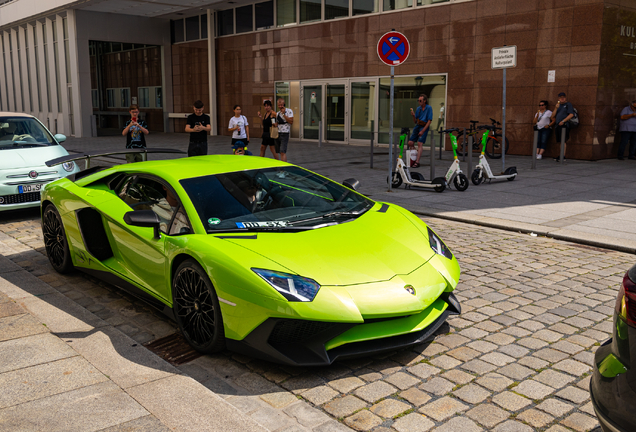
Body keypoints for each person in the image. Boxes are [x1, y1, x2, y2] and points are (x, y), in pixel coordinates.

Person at [408, 94, 433, 168]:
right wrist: (413, 115)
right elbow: (415, 121)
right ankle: (415, 156)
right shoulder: (418, 109)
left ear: (425, 101)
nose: (419, 102)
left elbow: (429, 121)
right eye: (418, 100)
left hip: (424, 126)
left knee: (419, 143)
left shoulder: (429, 108)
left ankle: (417, 161)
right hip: (418, 125)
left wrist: (423, 131)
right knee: (410, 142)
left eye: (420, 100)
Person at [549, 92, 574, 162]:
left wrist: (563, 121)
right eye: (560, 97)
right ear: (558, 98)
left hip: (564, 125)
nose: (562, 98)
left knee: (563, 140)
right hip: (558, 125)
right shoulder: (558, 105)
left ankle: (563, 156)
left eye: (563, 97)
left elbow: (571, 114)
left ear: (565, 98)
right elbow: (552, 116)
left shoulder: (568, 104)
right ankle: (560, 155)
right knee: (559, 141)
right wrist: (556, 108)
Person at [275, 98, 294, 162]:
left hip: (285, 133)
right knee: (280, 151)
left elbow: (291, 121)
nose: (280, 106)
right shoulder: (277, 113)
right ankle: (281, 166)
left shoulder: (289, 111)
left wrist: (283, 114)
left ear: (284, 104)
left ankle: (283, 168)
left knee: (283, 151)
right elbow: (277, 123)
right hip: (278, 133)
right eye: (279, 105)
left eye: (281, 105)